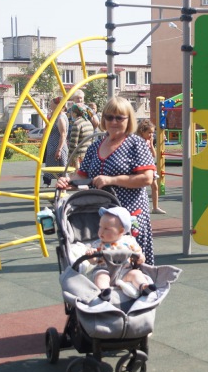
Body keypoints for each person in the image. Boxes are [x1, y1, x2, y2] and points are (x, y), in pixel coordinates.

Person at [56, 96, 156, 265]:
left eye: (119, 117)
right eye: (109, 117)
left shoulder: (136, 144)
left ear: (128, 120)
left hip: (129, 216)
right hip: (102, 218)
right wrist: (67, 181)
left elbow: (147, 178)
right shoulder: (95, 146)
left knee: (133, 265)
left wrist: (111, 180)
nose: (113, 122)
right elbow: (82, 175)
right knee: (102, 265)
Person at [85, 206, 155, 301]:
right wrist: (90, 256)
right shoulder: (98, 244)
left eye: (106, 229)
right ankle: (104, 291)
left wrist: (140, 258)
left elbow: (139, 255)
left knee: (136, 273)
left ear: (121, 231)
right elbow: (94, 261)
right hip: (105, 270)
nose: (101, 231)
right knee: (100, 276)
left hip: (125, 271)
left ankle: (143, 286)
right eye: (100, 227)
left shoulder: (129, 241)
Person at [136, 119, 167, 215]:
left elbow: (154, 155)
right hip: (141, 167)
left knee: (155, 186)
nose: (151, 135)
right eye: (149, 132)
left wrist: (152, 144)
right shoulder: (137, 141)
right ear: (142, 131)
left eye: (152, 133)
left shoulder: (149, 141)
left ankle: (155, 207)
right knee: (139, 188)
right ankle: (138, 208)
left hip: (150, 166)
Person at [44, 97, 69, 186]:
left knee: (61, 167)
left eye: (52, 103)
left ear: (57, 105)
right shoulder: (54, 116)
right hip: (52, 146)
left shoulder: (60, 118)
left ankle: (64, 184)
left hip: (58, 146)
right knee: (50, 166)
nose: (50, 105)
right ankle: (47, 181)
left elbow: (63, 134)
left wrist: (59, 150)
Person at [67, 103, 94, 167]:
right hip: (87, 155)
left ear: (75, 113)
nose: (71, 113)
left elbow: (73, 144)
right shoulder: (89, 122)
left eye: (72, 111)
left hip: (78, 157)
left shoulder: (77, 124)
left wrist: (69, 158)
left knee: (76, 173)